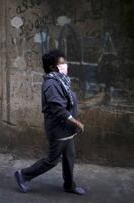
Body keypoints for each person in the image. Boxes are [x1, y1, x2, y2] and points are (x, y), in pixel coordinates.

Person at [14, 49, 85, 195]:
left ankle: (69, 185)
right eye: (62, 63)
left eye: (65, 61)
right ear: (52, 67)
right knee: (52, 160)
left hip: (67, 128)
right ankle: (23, 175)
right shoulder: (51, 84)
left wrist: (73, 123)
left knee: (69, 157)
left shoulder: (61, 80)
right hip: (58, 129)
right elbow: (59, 109)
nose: (65, 64)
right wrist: (76, 122)